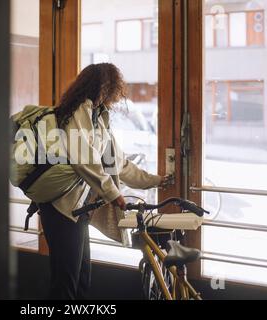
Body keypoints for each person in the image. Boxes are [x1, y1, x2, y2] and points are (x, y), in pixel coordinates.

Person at [38, 63, 169, 300]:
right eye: (113, 88)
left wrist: (156, 181)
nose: (116, 95)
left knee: (81, 280)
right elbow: (84, 159)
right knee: (65, 283)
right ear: (103, 87)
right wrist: (113, 194)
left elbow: (118, 163)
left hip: (77, 211)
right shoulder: (77, 112)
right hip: (59, 208)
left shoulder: (99, 118)